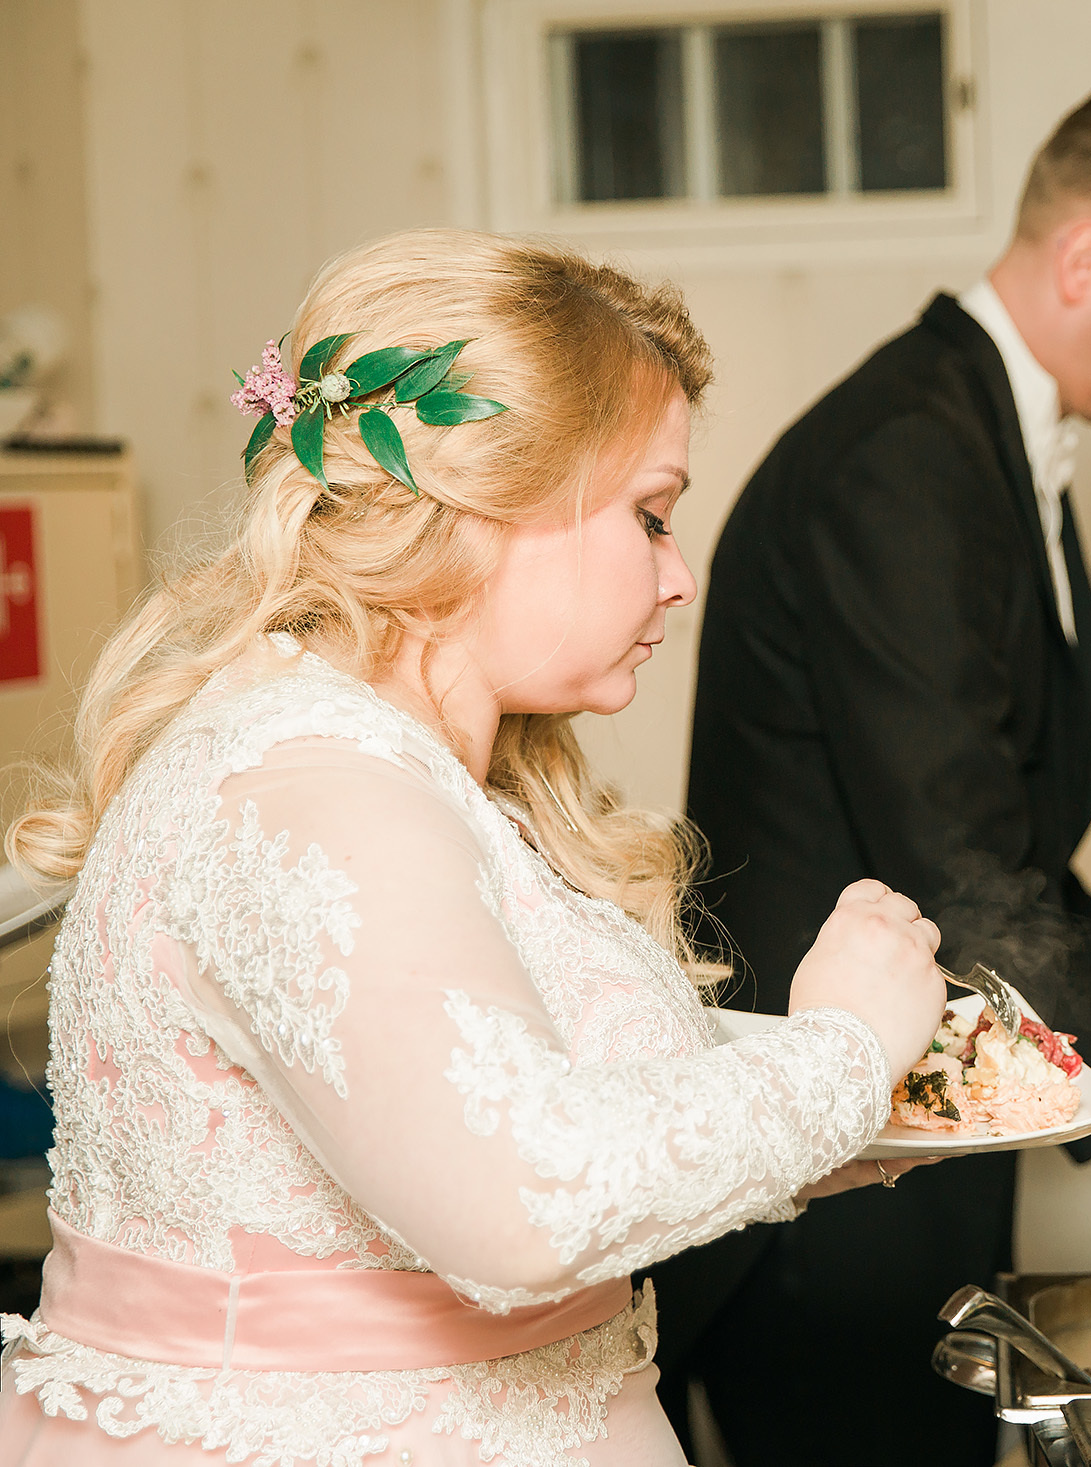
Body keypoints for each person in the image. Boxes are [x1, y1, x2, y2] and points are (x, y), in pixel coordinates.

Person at [0, 228, 947, 1466]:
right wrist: (844, 1053)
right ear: (487, 501)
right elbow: (522, 1206)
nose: (680, 578)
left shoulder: (398, 763)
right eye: (651, 515)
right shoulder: (319, 790)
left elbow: (475, 1111)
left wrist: (823, 1127)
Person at [664, 68, 1091, 1465]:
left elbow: (963, 795)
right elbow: (951, 851)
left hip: (907, 1127)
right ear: (1089, 256)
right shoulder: (906, 453)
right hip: (823, 1185)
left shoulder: (970, 429)